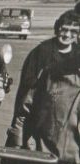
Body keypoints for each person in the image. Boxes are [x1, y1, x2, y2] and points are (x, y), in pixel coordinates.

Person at [9, 10, 79, 150]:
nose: (67, 35)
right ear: (57, 28)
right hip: (41, 117)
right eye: (64, 29)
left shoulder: (78, 53)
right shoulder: (41, 52)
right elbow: (27, 89)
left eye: (73, 31)